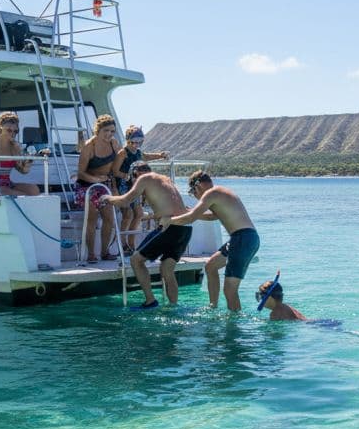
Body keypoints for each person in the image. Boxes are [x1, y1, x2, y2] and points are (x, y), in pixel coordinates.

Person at [161, 171, 259, 311]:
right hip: (243, 238)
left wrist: (168, 221)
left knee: (230, 290)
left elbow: (190, 218)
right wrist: (191, 213)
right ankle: (213, 306)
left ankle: (234, 326)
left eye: (193, 192)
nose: (195, 196)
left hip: (242, 239)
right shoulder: (219, 192)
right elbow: (214, 216)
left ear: (198, 186)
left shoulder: (211, 193)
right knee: (210, 266)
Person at [102, 163, 191, 309]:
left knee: (136, 260)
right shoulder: (165, 179)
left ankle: (150, 301)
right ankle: (173, 307)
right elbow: (169, 206)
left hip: (170, 227)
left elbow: (125, 201)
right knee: (167, 269)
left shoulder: (144, 179)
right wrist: (149, 217)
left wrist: (107, 198)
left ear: (136, 173)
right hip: (185, 228)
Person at [114, 125, 169, 254]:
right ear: (128, 140)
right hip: (124, 186)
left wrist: (160, 155)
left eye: (140, 141)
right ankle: (123, 244)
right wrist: (126, 176)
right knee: (127, 215)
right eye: (134, 142)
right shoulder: (123, 153)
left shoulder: (138, 152)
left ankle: (131, 243)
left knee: (138, 214)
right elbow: (114, 171)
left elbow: (146, 156)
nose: (136, 144)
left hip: (135, 186)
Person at [76, 115, 122, 263]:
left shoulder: (114, 144)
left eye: (112, 131)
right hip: (86, 186)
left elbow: (116, 168)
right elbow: (80, 173)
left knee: (109, 218)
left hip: (104, 186)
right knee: (92, 218)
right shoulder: (89, 147)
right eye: (106, 131)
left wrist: (114, 188)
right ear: (98, 130)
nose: (109, 134)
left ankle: (104, 252)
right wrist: (95, 180)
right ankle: (90, 254)